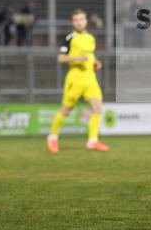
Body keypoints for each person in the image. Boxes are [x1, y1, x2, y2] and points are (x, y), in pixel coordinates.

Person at [47, 9, 109, 153]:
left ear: (86, 21)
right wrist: (76, 59)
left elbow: (89, 56)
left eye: (81, 19)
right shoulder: (70, 37)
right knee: (66, 110)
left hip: (90, 78)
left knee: (98, 108)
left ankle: (93, 141)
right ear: (73, 22)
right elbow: (61, 58)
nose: (79, 22)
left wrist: (95, 62)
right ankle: (52, 137)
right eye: (76, 20)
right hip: (75, 78)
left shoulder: (90, 38)